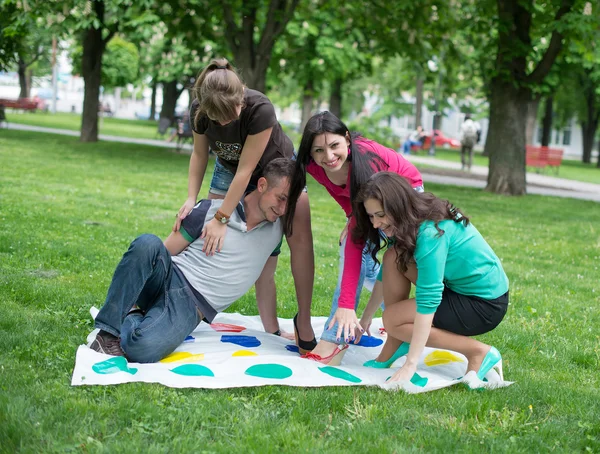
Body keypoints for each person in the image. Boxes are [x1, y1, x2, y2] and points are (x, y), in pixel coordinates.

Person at [89, 159, 297, 363]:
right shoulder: (212, 210)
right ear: (262, 185)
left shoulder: (276, 233)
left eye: (290, 202)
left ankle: (132, 312)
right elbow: (162, 252)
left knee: (140, 349)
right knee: (147, 243)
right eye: (281, 198)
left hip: (191, 305)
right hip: (169, 275)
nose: (284, 209)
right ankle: (106, 334)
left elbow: (266, 280)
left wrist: (274, 331)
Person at [174, 58, 316, 352]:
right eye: (223, 119)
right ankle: (183, 300)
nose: (232, 119)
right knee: (205, 236)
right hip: (229, 170)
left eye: (235, 112)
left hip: (275, 172)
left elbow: (247, 171)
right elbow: (200, 156)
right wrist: (192, 199)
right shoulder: (199, 112)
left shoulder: (259, 108)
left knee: (266, 255)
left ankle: (285, 326)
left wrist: (222, 217)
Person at [285, 111, 423, 365]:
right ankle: (385, 326)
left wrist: (346, 304)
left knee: (389, 257)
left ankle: (334, 338)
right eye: (318, 150)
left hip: (406, 192)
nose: (328, 157)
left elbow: (357, 242)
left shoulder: (365, 166)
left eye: (334, 146)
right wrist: (351, 215)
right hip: (367, 202)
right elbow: (341, 193)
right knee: (366, 257)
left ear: (347, 139)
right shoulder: (316, 167)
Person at [353, 172, 509, 387]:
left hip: (483, 305)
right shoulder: (412, 217)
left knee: (392, 319)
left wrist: (411, 364)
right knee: (393, 256)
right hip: (459, 290)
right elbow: (387, 272)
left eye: (380, 215)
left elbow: (429, 299)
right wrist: (366, 318)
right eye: (371, 216)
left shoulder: (430, 233)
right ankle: (396, 341)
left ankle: (478, 352)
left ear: (397, 205)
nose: (376, 224)